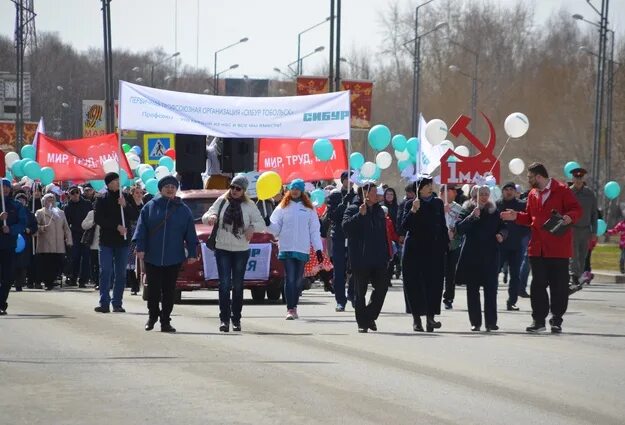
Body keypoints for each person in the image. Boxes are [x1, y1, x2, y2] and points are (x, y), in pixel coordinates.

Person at [501, 162, 582, 333]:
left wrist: (569, 216)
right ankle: (538, 320)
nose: (528, 180)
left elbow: (576, 209)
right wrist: (516, 216)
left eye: (530, 177)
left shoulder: (562, 189)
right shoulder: (532, 194)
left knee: (558, 286)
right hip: (537, 248)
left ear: (539, 176)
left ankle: (556, 319)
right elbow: (530, 218)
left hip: (558, 248)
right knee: (537, 285)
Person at [134, 176, 199, 333]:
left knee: (169, 291)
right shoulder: (149, 207)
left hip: (174, 256)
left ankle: (165, 321)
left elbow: (190, 234)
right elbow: (141, 229)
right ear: (160, 189)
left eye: (173, 186)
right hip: (152, 256)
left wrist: (192, 253)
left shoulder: (183, 210)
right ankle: (152, 316)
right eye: (167, 186)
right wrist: (140, 247)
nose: (170, 189)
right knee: (154, 290)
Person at [203, 175, 266, 332]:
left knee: (238, 286)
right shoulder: (222, 201)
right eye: (232, 187)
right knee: (224, 285)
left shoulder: (249, 205)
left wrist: (252, 227)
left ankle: (236, 319)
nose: (234, 191)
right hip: (222, 248)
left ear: (243, 190)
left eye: (238, 188)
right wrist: (211, 217)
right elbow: (206, 216)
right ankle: (224, 320)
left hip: (240, 250)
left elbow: (261, 224)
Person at [269, 179, 323, 320]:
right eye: (293, 189)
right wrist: (268, 223)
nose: (295, 191)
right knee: (290, 278)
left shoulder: (309, 208)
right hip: (286, 247)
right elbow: (275, 228)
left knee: (298, 280)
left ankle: (295, 306)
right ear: (289, 190)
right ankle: (290, 309)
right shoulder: (282, 207)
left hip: (302, 248)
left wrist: (318, 249)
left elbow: (314, 230)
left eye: (298, 189)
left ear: (302, 191)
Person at [456, 186, 508, 331]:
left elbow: (503, 227)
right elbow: (459, 229)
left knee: (491, 290)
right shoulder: (467, 209)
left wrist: (502, 235)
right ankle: (475, 322)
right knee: (473, 291)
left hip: (490, 255)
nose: (484, 197)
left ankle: (491, 322)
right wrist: (472, 216)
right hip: (472, 256)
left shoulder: (494, 211)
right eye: (481, 194)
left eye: (486, 194)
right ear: (474, 196)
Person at [401, 176, 449, 332]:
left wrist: (444, 245)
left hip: (434, 250)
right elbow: (403, 227)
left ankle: (430, 318)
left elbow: (442, 225)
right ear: (419, 188)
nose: (430, 187)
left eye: (431, 185)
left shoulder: (438, 203)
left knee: (434, 285)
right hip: (414, 250)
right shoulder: (410, 204)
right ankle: (416, 319)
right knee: (414, 285)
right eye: (427, 185)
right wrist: (413, 211)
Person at [343, 181, 390, 333]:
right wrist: (359, 215)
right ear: (365, 194)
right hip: (360, 258)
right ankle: (362, 323)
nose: (377, 195)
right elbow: (346, 228)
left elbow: (383, 234)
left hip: (378, 258)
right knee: (360, 292)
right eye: (374, 192)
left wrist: (387, 254)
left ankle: (369, 315)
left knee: (381, 288)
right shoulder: (353, 208)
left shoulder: (379, 211)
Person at [93, 172, 140, 313]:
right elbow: (99, 219)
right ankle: (104, 303)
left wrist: (126, 205)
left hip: (123, 242)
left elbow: (135, 215)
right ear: (108, 184)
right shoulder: (101, 199)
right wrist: (116, 226)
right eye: (114, 181)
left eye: (118, 181)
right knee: (106, 271)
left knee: (121, 273)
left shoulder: (125, 197)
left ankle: (117, 302)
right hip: (106, 241)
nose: (117, 183)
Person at [496, 182, 529, 311]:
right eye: (506, 189)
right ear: (502, 191)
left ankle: (512, 301)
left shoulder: (521, 205)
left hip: (516, 246)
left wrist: (521, 236)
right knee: (494, 273)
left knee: (515, 275)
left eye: (511, 189)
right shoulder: (496, 205)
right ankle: (492, 297)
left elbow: (527, 223)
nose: (508, 192)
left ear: (515, 192)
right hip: (500, 245)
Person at [326, 171, 353, 312]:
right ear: (343, 180)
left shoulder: (357, 195)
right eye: (348, 178)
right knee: (339, 269)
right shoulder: (335, 196)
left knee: (356, 268)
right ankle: (340, 300)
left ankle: (353, 295)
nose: (351, 181)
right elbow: (332, 216)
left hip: (354, 237)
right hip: (339, 237)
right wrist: (343, 203)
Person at [568, 168, 598, 293]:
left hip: (585, 229)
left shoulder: (589, 194)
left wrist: (594, 232)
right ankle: (574, 277)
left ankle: (577, 278)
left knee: (583, 255)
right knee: (573, 255)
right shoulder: (568, 192)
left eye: (581, 177)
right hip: (572, 228)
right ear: (573, 179)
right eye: (576, 177)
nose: (579, 180)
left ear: (583, 178)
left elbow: (594, 214)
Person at [35, 193, 72, 291]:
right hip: (45, 243)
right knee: (47, 263)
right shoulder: (40, 212)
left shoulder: (60, 213)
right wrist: (42, 228)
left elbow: (66, 228)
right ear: (44, 201)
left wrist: (69, 240)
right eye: (48, 199)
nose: (51, 201)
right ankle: (48, 282)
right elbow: (35, 227)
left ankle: (53, 279)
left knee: (57, 263)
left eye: (52, 199)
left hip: (58, 243)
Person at [0, 179, 27, 314]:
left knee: (8, 276)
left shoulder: (16, 205)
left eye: (7, 187)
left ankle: (1, 301)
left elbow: (22, 223)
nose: (4, 189)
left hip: (9, 245)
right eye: (2, 187)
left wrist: (10, 229)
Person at [64, 185, 93, 288]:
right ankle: (73, 278)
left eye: (77, 192)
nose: (75, 194)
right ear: (69, 195)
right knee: (74, 257)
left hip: (86, 234)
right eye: (73, 193)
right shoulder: (67, 207)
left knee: (86, 258)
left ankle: (83, 280)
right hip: (75, 234)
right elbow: (66, 223)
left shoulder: (87, 203)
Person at [442, 185, 463, 310]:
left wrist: (454, 231)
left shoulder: (459, 208)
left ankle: (448, 298)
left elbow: (461, 224)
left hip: (454, 243)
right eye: (452, 190)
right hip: (439, 243)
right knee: (439, 272)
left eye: (454, 191)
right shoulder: (438, 205)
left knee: (451, 272)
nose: (454, 193)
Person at [396, 183, 416, 312]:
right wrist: (401, 234)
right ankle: (409, 306)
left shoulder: (433, 202)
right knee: (408, 274)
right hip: (409, 241)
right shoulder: (406, 204)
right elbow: (400, 221)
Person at [13, 193, 37, 292]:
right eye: (19, 200)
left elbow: (34, 227)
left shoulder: (30, 214)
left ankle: (19, 283)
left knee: (22, 264)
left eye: (23, 200)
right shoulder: (12, 212)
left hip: (25, 241)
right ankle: (9, 281)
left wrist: (29, 230)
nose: (21, 201)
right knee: (11, 262)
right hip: (13, 239)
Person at [127, 186, 145, 295]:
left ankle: (142, 283)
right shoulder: (129, 207)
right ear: (132, 194)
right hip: (131, 235)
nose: (139, 195)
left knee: (141, 260)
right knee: (131, 260)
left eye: (140, 193)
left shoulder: (145, 206)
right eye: (136, 193)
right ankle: (134, 285)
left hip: (142, 235)